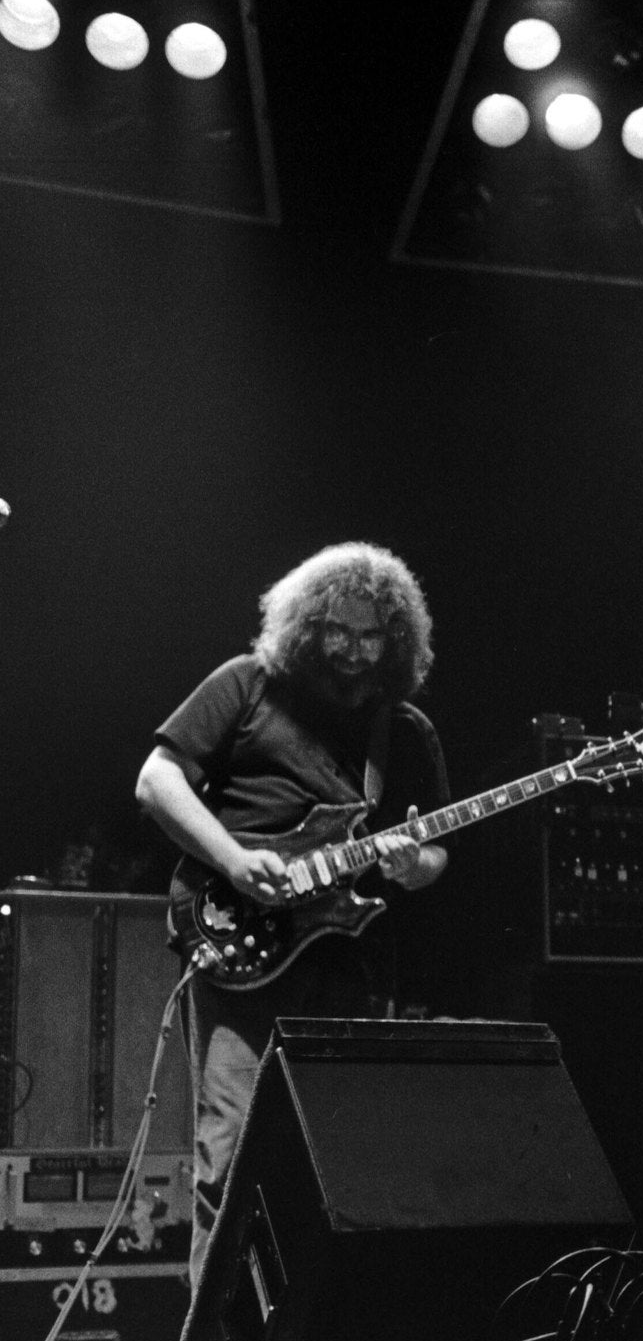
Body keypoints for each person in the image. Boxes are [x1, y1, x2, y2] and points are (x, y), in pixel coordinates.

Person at [136, 543, 450, 1282]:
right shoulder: (248, 686)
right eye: (337, 630)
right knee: (231, 1156)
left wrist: (413, 866)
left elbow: (435, 850)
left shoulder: (404, 730)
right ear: (307, 624)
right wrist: (234, 861)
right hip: (241, 950)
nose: (352, 650)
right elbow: (158, 781)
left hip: (350, 961)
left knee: (344, 1166)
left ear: (396, 639)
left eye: (371, 635)